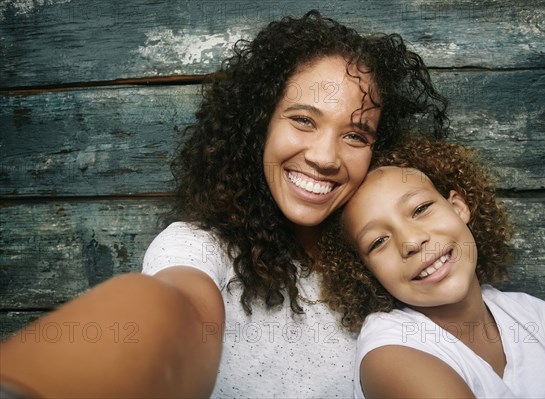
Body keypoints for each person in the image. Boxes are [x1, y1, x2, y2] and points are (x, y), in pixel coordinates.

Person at [0, 10, 448, 398]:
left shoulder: (383, 256)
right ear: (259, 124)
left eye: (355, 135)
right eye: (303, 120)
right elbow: (178, 314)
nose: (325, 157)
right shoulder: (198, 249)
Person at [319, 139, 545, 398]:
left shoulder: (534, 316)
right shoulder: (391, 353)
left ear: (458, 207)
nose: (412, 241)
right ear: (366, 271)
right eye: (378, 242)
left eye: (420, 209)